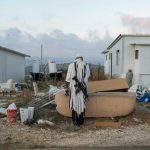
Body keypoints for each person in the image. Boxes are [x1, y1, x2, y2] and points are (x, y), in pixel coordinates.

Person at [65, 53, 90, 126]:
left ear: (75, 58)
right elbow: (87, 77)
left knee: (74, 103)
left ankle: (75, 122)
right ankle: (81, 121)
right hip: (83, 88)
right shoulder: (86, 65)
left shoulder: (71, 65)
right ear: (82, 58)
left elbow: (67, 79)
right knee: (82, 104)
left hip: (73, 89)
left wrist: (66, 89)